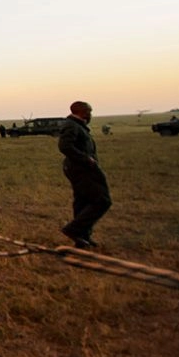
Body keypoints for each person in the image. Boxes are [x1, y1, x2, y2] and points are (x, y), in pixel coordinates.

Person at [58, 101, 111, 249]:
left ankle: (82, 237)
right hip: (81, 168)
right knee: (102, 200)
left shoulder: (77, 125)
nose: (90, 114)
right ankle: (74, 229)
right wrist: (86, 159)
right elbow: (65, 146)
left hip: (80, 167)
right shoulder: (72, 125)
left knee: (83, 201)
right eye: (89, 111)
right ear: (82, 112)